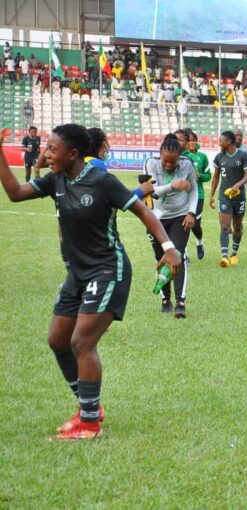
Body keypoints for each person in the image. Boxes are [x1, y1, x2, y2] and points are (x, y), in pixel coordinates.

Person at [0, 124, 180, 440]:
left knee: (82, 342)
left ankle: (89, 424)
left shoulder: (101, 181)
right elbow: (15, 193)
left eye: (52, 149)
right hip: (78, 274)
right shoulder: (55, 179)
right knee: (58, 340)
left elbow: (143, 211)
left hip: (108, 269)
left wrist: (168, 248)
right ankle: (89, 408)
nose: (46, 154)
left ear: (73, 153)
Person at [140, 134, 198, 317]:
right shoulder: (150, 163)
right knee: (160, 256)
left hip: (180, 216)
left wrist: (191, 212)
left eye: (173, 161)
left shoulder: (187, 164)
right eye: (166, 161)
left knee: (177, 255)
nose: (169, 165)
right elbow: (151, 191)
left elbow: (194, 189)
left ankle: (180, 301)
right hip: (155, 218)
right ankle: (165, 297)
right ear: (160, 154)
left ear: (180, 156)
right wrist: (173, 185)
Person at [209, 131, 247, 267]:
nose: (219, 143)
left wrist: (238, 185)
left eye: (221, 140)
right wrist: (212, 195)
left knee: (238, 226)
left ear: (229, 141)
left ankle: (234, 254)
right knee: (225, 226)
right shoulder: (219, 157)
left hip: (239, 197)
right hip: (224, 196)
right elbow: (216, 177)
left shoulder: (243, 155)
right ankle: (224, 256)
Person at [184, 131, 211, 260]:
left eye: (194, 139)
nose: (192, 142)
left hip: (198, 195)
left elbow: (208, 176)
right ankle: (184, 253)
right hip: (182, 195)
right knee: (182, 225)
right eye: (189, 140)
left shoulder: (203, 156)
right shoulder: (182, 156)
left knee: (195, 224)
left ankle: (199, 242)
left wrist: (200, 176)